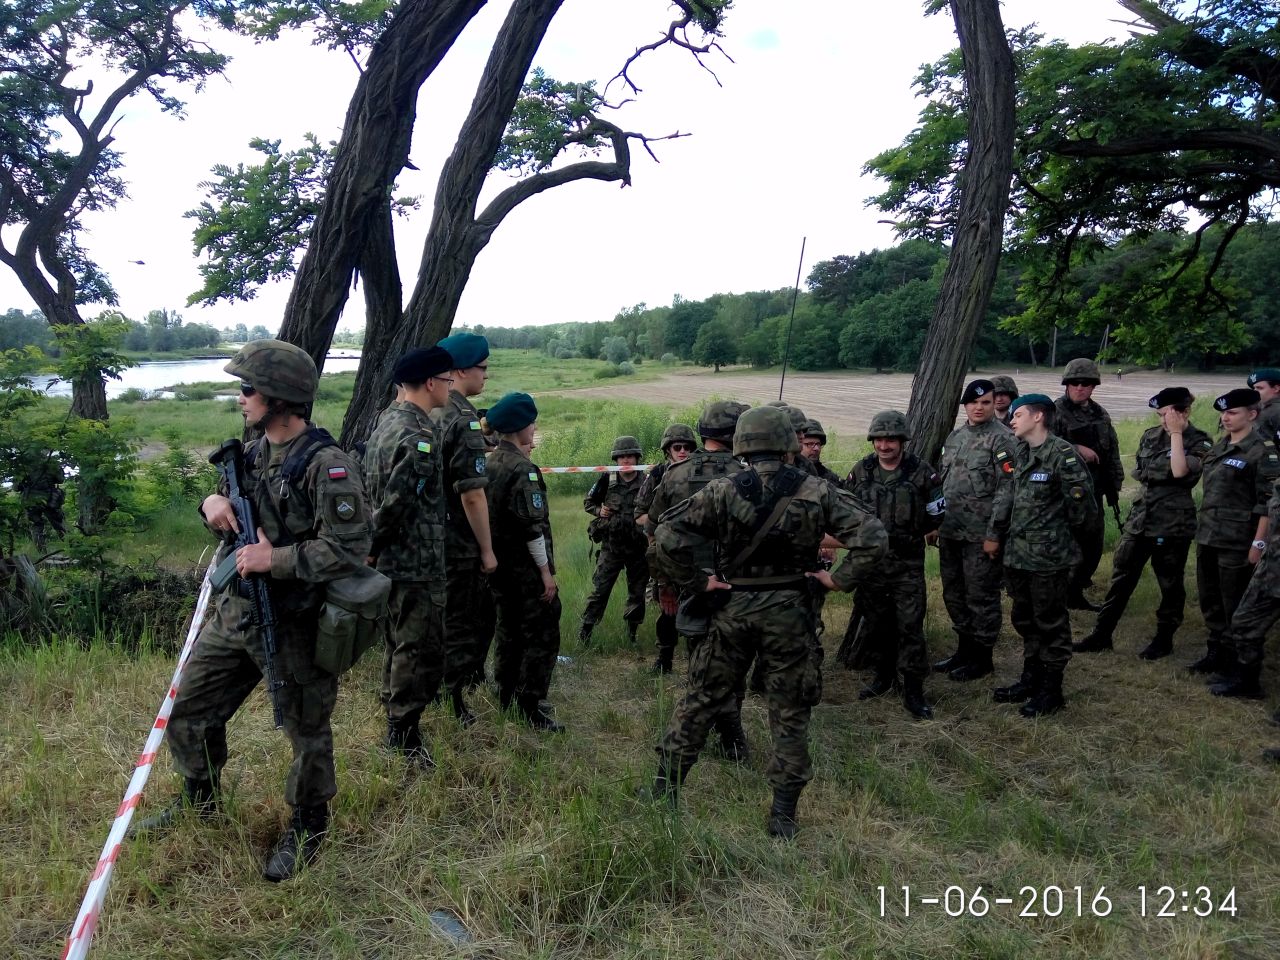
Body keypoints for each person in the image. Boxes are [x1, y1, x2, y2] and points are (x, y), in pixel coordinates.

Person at [136, 339, 371, 882]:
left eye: (248, 389)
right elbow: (227, 511)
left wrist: (276, 559)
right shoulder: (252, 453)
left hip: (294, 622)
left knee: (305, 730)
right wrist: (210, 504)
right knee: (188, 708)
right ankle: (200, 798)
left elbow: (351, 549)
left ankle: (309, 826)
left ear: (280, 397)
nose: (240, 398)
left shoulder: (328, 466)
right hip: (235, 613)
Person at [646, 406, 887, 838]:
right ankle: (783, 815)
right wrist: (838, 580)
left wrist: (698, 582)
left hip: (732, 609)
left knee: (702, 698)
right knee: (789, 710)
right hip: (790, 612)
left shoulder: (723, 490)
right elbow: (873, 536)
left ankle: (665, 793)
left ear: (743, 444)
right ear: (788, 442)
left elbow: (664, 536)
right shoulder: (817, 489)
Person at [363, 346, 458, 755]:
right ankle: (403, 733)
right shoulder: (420, 436)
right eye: (448, 380)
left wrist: (373, 549)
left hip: (391, 558)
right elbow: (397, 503)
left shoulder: (386, 422)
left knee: (397, 640)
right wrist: (372, 546)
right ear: (432, 382)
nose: (450, 387)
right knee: (418, 647)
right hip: (414, 558)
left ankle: (393, 713)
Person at [645, 400, 752, 760]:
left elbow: (654, 531)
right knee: (734, 661)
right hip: (737, 584)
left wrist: (668, 582)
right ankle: (731, 735)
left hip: (693, 582)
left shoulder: (675, 474)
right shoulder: (748, 474)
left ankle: (713, 731)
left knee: (700, 663)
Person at [1075, 388, 1213, 658]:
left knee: (1170, 583)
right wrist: (1162, 469)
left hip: (1172, 523)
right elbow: (1140, 473)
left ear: (1184, 412)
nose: (1163, 421)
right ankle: (1101, 634)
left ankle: (1164, 639)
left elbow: (1180, 471)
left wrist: (1176, 434)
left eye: (1167, 415)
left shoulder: (1200, 441)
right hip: (1141, 519)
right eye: (1160, 415)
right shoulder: (1151, 436)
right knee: (1121, 578)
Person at [986, 393, 1095, 717]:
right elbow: (1008, 498)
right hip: (1018, 556)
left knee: (1051, 623)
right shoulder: (1020, 452)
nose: (1012, 420)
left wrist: (1058, 538)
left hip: (1049, 558)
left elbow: (1083, 512)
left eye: (1018, 414)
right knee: (1025, 618)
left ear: (1038, 416)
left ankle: (1051, 690)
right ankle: (1030, 679)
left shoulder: (1062, 455)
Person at [844, 410, 945, 719]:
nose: (884, 446)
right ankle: (883, 676)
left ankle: (913, 689)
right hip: (872, 565)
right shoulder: (861, 470)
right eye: (878, 439)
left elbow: (937, 513)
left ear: (902, 441)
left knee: (910, 626)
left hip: (906, 565)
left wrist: (910, 534)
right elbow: (846, 508)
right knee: (877, 623)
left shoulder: (922, 472)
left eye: (890, 440)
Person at [483, 392, 565, 731]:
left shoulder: (489, 463)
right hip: (524, 569)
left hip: (498, 566)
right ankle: (530, 704)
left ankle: (504, 692)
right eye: (531, 423)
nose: (534, 428)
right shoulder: (523, 470)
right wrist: (546, 573)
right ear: (519, 427)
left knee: (508, 629)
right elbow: (532, 528)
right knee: (541, 632)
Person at [1192, 388, 1280, 687]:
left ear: (1252, 414)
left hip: (1238, 540)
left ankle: (1237, 663)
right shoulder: (1221, 446)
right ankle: (1216, 652)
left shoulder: (1262, 451)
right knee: (1211, 598)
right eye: (1223, 413)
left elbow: (1267, 502)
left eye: (1232, 412)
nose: (1225, 418)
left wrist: (1259, 543)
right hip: (1209, 534)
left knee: (1234, 603)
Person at [934, 379, 1021, 682]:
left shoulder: (1003, 439)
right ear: (966, 406)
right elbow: (943, 483)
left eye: (986, 402)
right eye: (973, 403)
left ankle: (983, 658)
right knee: (954, 594)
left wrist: (994, 534)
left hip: (981, 536)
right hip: (951, 531)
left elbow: (1007, 490)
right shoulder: (955, 437)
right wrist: (934, 524)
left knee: (980, 596)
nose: (979, 407)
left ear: (994, 403)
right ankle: (964, 650)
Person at [432, 333, 499, 708]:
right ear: (460, 370)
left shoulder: (430, 411)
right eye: (482, 368)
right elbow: (472, 493)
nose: (485, 375)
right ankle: (451, 697)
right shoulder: (463, 419)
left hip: (430, 534)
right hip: (457, 539)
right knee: (461, 619)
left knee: (441, 616)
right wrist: (487, 550)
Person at [1054, 358, 1125, 611]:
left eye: (1086, 383)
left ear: (1093, 386)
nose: (1080, 387)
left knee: (1093, 545)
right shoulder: (1055, 412)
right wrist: (1075, 448)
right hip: (1065, 494)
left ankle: (1076, 590)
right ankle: (1063, 593)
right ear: (1067, 384)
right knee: (1068, 546)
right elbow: (1043, 444)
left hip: (1094, 490)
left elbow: (1112, 450)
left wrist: (1115, 483)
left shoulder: (1100, 414)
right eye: (1075, 383)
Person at [634, 423, 697, 673]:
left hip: (696, 552)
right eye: (677, 447)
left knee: (698, 608)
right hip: (666, 552)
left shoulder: (700, 472)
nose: (683, 451)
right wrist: (663, 526)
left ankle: (696, 663)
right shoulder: (658, 475)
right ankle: (665, 658)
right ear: (667, 450)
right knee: (668, 608)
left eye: (688, 447)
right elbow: (640, 515)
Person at [579, 436, 650, 646]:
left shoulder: (647, 481)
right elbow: (589, 502)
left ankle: (631, 635)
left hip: (638, 547)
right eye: (622, 457)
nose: (626, 460)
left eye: (630, 456)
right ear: (616, 459)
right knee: (600, 590)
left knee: (637, 593)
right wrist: (599, 511)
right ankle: (585, 633)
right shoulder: (606, 479)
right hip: (612, 547)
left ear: (637, 458)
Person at [17, 453, 66, 552]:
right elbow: (60, 479)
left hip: (31, 500)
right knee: (59, 524)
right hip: (50, 498)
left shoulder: (24, 465)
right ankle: (71, 548)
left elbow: (16, 487)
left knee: (36, 525)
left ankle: (41, 552)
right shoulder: (51, 463)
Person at [799, 419, 843, 483]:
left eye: (818, 444)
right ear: (798, 445)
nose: (816, 448)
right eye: (810, 444)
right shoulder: (792, 474)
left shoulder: (824, 473)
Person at [1247, 368, 1280, 448]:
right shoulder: (1259, 406)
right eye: (1254, 388)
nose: (1255, 392)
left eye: (1260, 388)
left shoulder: (1276, 411)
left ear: (1276, 388)